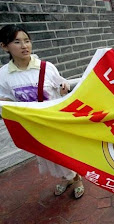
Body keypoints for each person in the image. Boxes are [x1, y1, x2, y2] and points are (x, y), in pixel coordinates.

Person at [0, 24, 84, 199]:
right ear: (4, 46)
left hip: (53, 123)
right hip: (32, 126)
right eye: (17, 42)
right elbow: (6, 100)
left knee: (63, 154)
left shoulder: (46, 67)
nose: (24, 46)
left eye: (27, 41)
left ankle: (77, 180)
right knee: (48, 157)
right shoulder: (4, 75)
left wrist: (64, 89)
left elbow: (62, 89)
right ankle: (66, 178)